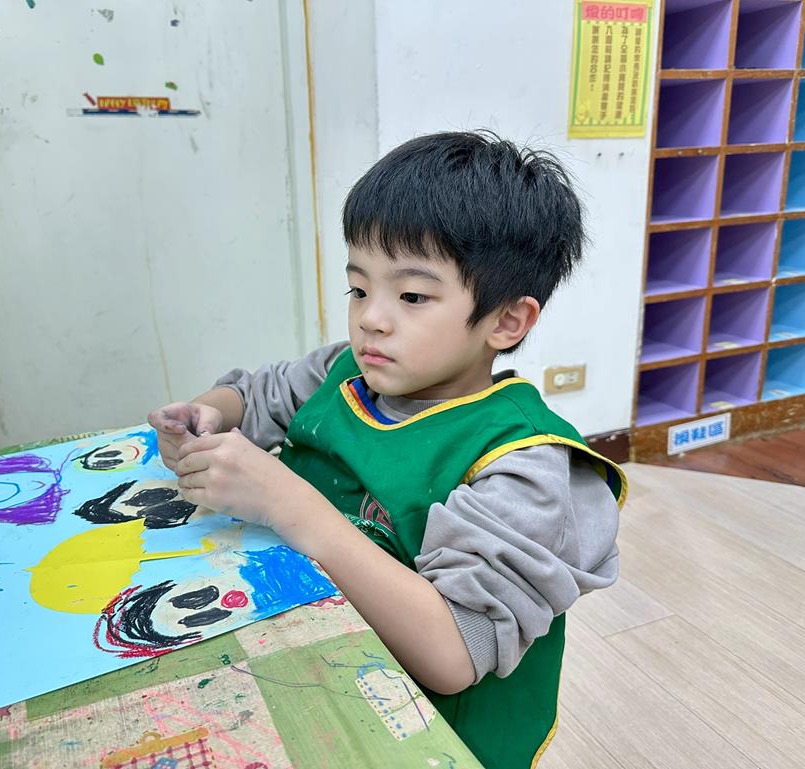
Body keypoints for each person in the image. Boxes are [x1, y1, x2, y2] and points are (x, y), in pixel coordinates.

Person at [148, 130, 626, 769]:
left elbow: (454, 653)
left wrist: (288, 504)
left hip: (424, 732)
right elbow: (257, 394)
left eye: (412, 296)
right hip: (310, 662)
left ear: (506, 322)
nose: (371, 318)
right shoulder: (347, 373)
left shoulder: (525, 466)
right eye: (358, 289)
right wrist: (207, 412)